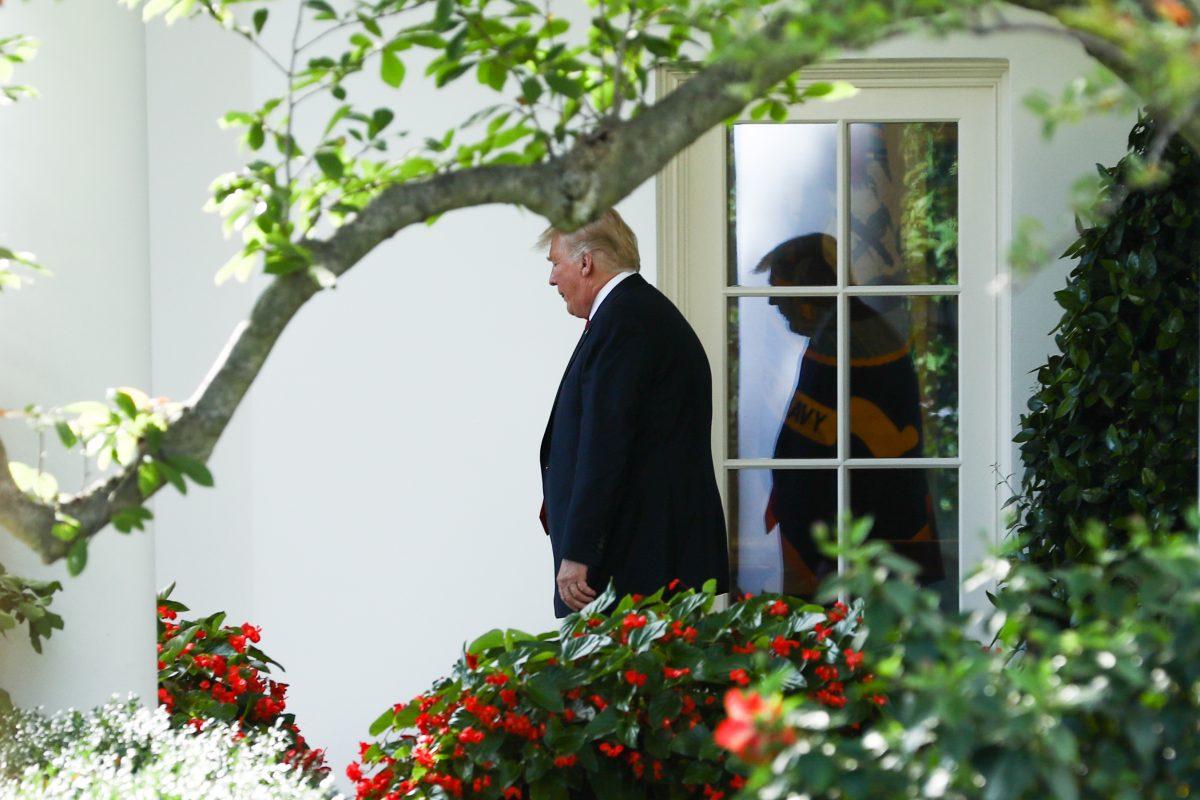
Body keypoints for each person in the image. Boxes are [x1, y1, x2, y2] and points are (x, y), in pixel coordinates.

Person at [536, 209, 729, 617]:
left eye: (555, 263)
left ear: (586, 263)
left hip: (638, 570)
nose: (552, 279)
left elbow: (605, 444)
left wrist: (580, 552)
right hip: (645, 559)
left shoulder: (626, 323)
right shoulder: (632, 314)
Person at [757, 233, 945, 596]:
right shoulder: (842, 332)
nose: (772, 301)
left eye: (780, 290)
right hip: (838, 541)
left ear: (811, 291)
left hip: (853, 548)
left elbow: (862, 456)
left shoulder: (853, 339)